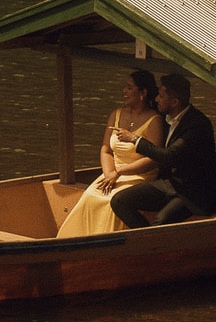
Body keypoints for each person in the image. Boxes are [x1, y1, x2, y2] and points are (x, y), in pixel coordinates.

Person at [55, 69, 167, 238]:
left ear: (143, 92)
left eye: (129, 88)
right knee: (91, 196)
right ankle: (77, 241)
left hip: (138, 175)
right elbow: (106, 149)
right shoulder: (116, 114)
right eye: (125, 87)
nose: (125, 91)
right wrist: (108, 173)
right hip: (112, 172)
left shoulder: (154, 120)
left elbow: (152, 159)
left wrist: (119, 173)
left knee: (110, 201)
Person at [109, 70, 216, 228]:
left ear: (174, 102)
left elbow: (169, 156)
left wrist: (134, 139)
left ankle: (148, 243)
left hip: (193, 193)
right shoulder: (167, 115)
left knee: (160, 223)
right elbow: (143, 99)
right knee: (119, 200)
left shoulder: (196, 126)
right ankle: (145, 238)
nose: (156, 99)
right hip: (169, 184)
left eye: (161, 96)